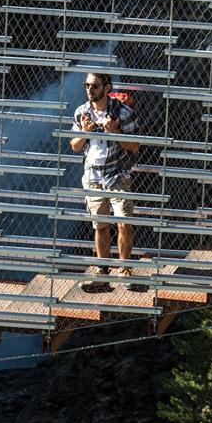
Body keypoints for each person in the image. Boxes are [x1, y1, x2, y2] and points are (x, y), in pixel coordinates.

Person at [70, 72, 139, 293]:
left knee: (123, 222)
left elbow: (135, 146)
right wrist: (85, 132)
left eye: (95, 86)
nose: (90, 90)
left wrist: (115, 132)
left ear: (107, 87)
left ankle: (124, 269)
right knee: (100, 226)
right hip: (93, 176)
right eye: (87, 86)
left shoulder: (123, 112)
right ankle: (103, 272)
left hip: (117, 173)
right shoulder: (81, 112)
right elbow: (75, 146)